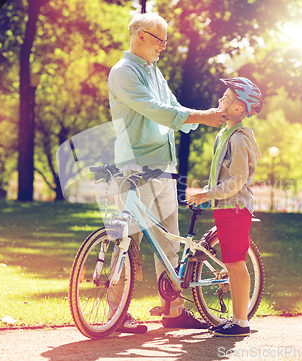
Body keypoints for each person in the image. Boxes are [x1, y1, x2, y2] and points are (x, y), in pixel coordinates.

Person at [107, 12, 227, 334]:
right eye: (160, 40)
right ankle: (116, 314)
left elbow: (172, 105)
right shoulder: (123, 73)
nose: (164, 47)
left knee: (168, 239)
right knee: (126, 239)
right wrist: (202, 116)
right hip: (134, 166)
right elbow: (156, 110)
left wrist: (203, 117)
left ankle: (173, 310)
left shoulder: (154, 72)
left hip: (163, 166)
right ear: (141, 36)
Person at [188, 77, 264, 337]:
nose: (221, 99)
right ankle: (237, 318)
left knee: (235, 265)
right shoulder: (226, 132)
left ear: (240, 108)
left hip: (234, 207)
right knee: (231, 263)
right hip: (225, 207)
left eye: (227, 97)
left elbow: (237, 179)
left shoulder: (240, 139)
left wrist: (208, 193)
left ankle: (241, 322)